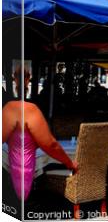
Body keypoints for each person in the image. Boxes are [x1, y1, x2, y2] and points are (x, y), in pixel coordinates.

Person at [2, 65, 77, 201]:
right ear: (29, 80)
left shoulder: (8, 109)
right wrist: (70, 163)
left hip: (14, 181)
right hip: (24, 183)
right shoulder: (30, 110)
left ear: (14, 79)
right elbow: (50, 144)